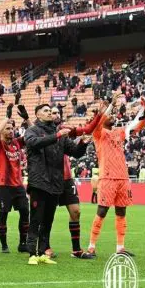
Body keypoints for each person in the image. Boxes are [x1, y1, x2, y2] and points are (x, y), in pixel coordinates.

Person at [24, 104, 88, 265]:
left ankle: (42, 252)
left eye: (50, 110)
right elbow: (33, 143)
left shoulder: (60, 134)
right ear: (37, 115)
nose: (49, 113)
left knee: (48, 220)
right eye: (45, 110)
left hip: (55, 183)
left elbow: (75, 152)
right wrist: (57, 135)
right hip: (39, 181)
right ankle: (32, 253)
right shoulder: (33, 131)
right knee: (36, 218)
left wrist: (83, 143)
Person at [87, 96, 145, 257]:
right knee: (101, 212)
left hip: (123, 178)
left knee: (121, 213)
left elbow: (137, 125)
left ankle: (120, 248)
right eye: (111, 115)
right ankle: (91, 247)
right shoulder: (99, 133)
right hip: (107, 178)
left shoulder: (119, 132)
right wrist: (110, 106)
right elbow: (100, 119)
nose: (114, 116)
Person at [50, 106, 99, 259]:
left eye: (58, 112)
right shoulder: (41, 132)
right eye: (52, 112)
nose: (56, 114)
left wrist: (100, 114)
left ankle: (76, 250)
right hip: (50, 179)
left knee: (76, 212)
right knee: (46, 216)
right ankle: (45, 247)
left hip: (66, 178)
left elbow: (88, 128)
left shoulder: (65, 130)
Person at [0, 114, 29, 254]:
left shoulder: (17, 142)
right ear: (2, 131)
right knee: (3, 214)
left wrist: (26, 119)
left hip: (18, 185)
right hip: (3, 185)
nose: (11, 130)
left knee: (25, 212)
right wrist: (6, 119)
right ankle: (4, 245)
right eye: (7, 128)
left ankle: (23, 244)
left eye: (12, 128)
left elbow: (32, 133)